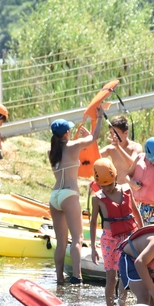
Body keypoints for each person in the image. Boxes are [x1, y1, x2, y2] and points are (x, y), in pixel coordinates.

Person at [49, 112, 103, 285]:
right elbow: (95, 137)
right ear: (66, 133)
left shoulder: (51, 151)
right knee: (77, 239)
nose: (71, 132)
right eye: (69, 130)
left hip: (55, 196)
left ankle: (59, 279)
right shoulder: (73, 146)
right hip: (69, 194)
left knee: (61, 242)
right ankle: (77, 277)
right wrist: (99, 118)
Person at [90, 158, 143, 306]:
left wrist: (143, 231)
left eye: (110, 184)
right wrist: (93, 248)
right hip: (109, 238)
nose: (107, 188)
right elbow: (93, 223)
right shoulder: (97, 198)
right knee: (111, 278)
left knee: (125, 273)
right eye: (103, 186)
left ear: (115, 178)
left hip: (128, 236)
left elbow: (135, 211)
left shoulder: (127, 190)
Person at [100, 115, 141, 185]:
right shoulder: (110, 148)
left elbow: (132, 164)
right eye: (111, 133)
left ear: (126, 133)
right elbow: (95, 157)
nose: (113, 136)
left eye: (116, 133)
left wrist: (118, 148)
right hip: (117, 189)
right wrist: (91, 141)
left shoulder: (135, 147)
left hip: (131, 188)